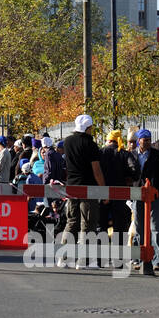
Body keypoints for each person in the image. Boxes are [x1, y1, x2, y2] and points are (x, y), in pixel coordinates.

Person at [61, 115, 106, 270]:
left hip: (71, 186)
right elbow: (96, 170)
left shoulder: (67, 142)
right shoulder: (90, 144)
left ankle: (64, 258)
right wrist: (103, 190)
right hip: (88, 188)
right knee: (87, 224)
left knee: (71, 222)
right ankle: (84, 261)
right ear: (88, 127)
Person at [133, 130, 159, 270]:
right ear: (139, 140)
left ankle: (158, 260)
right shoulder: (132, 155)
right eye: (145, 139)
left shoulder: (157, 155)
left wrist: (158, 189)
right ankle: (138, 258)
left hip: (154, 196)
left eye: (149, 139)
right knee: (139, 227)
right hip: (137, 195)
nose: (148, 142)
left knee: (156, 227)